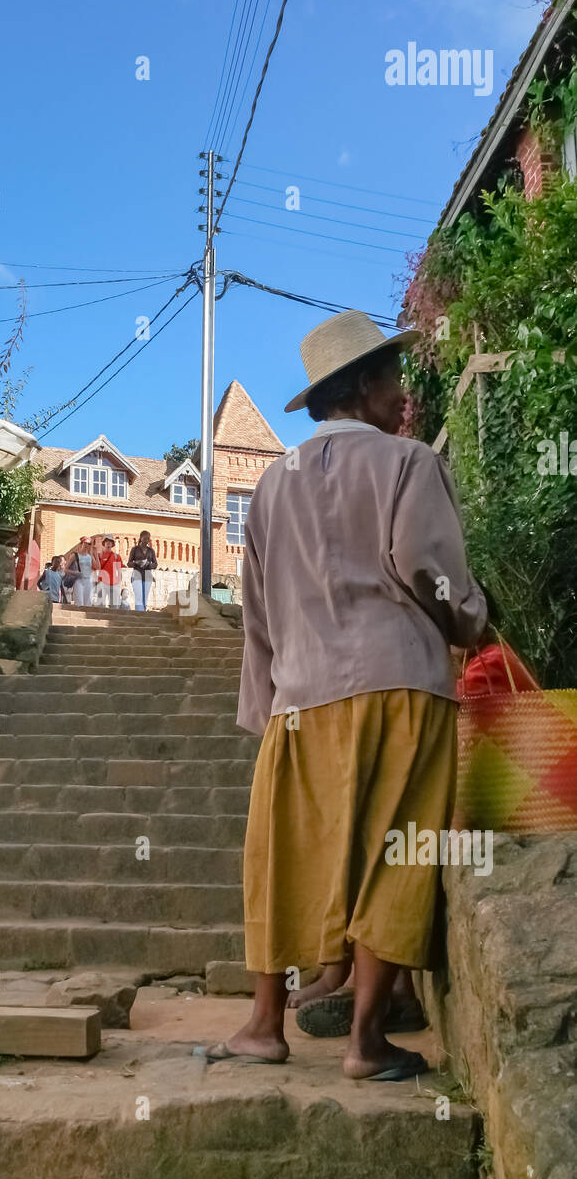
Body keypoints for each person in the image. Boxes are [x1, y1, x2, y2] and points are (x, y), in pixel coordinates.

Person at [201, 310, 488, 1080]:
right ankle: (364, 1043)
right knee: (394, 852)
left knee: (285, 858)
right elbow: (428, 572)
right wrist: (474, 619)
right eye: (392, 379)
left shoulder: (268, 488)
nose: (403, 395)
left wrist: (265, 714)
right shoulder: (408, 465)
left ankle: (264, 1024)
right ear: (362, 387)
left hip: (299, 700)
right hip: (399, 686)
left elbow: (255, 616)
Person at [128, 530, 158, 612]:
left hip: (148, 574)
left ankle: (143, 613)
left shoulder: (151, 551)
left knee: (145, 597)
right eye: (145, 538)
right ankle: (139, 614)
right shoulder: (135, 549)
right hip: (137, 573)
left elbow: (155, 564)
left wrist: (148, 564)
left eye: (148, 539)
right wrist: (137, 562)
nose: (147, 540)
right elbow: (129, 563)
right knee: (139, 596)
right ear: (141, 538)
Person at [64, 537, 94, 607]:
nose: (87, 545)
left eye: (89, 544)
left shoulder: (90, 556)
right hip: (79, 580)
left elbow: (96, 567)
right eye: (85, 543)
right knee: (79, 601)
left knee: (88, 602)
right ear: (81, 544)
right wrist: (75, 573)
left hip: (88, 580)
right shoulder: (75, 555)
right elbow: (65, 569)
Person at [95, 534, 124, 609]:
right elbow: (96, 569)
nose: (108, 543)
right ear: (104, 543)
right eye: (107, 542)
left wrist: (119, 583)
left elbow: (119, 571)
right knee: (100, 605)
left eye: (110, 542)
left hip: (113, 583)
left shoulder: (116, 556)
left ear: (112, 544)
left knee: (114, 606)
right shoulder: (99, 555)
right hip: (102, 582)